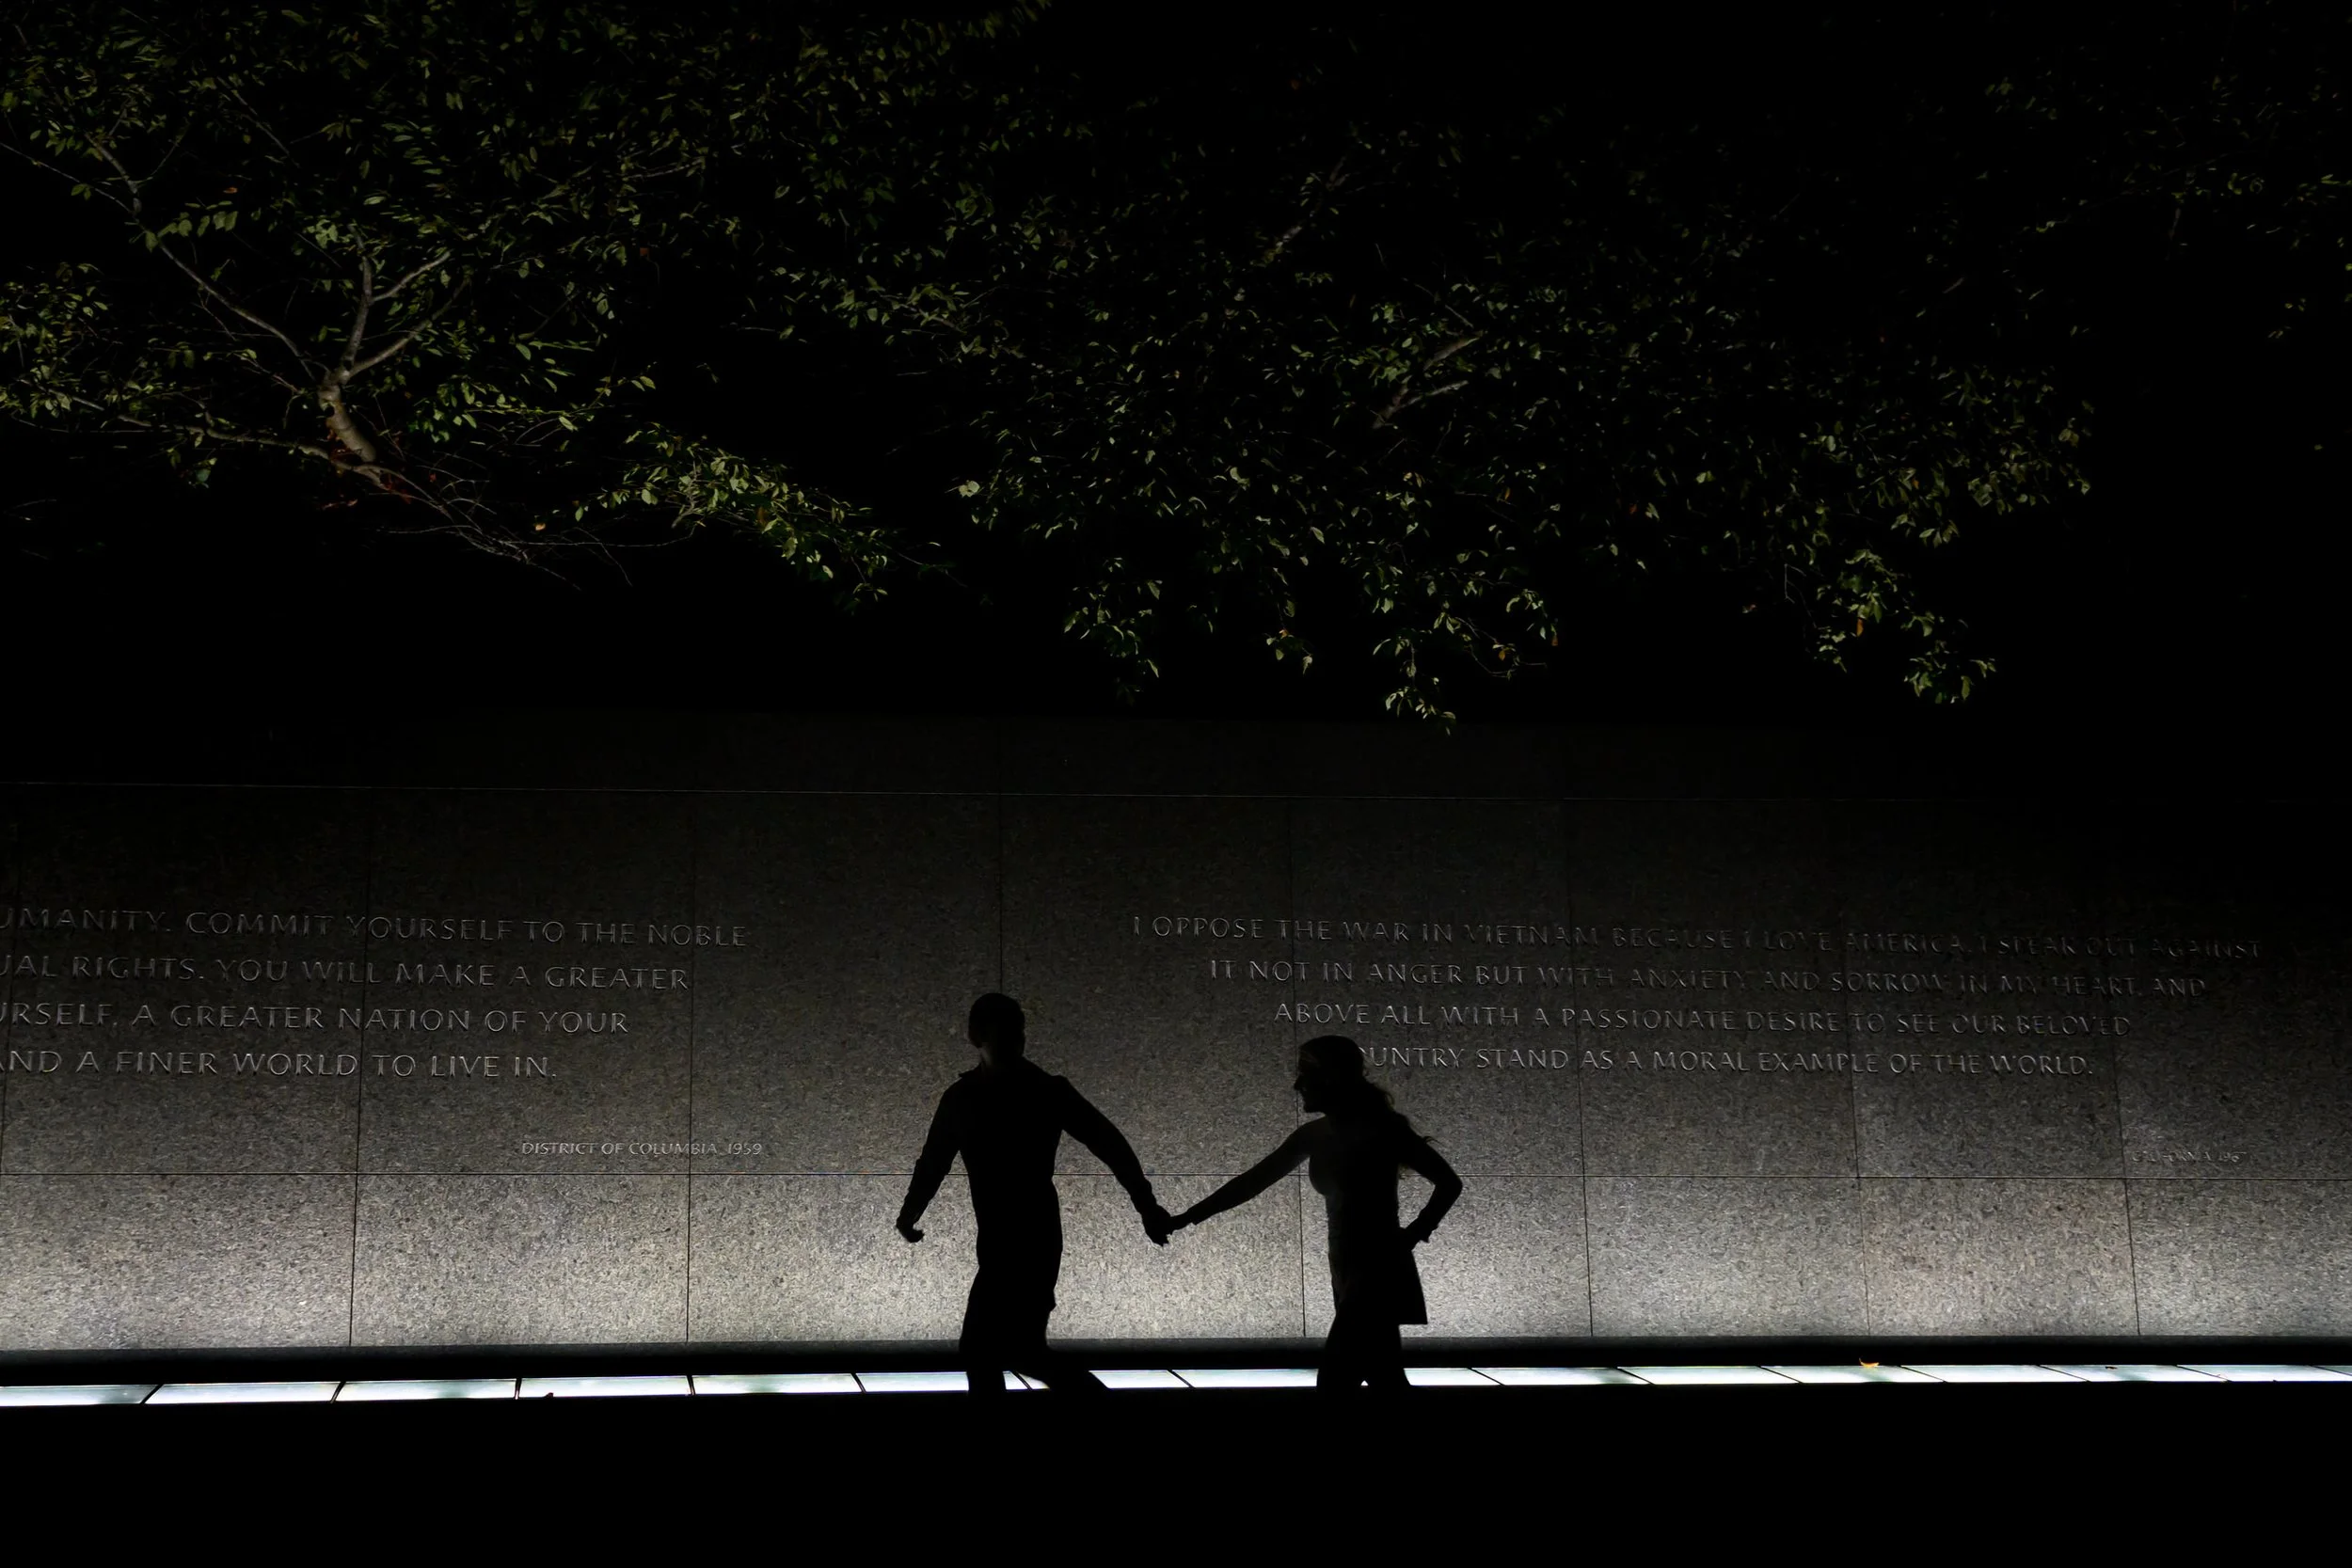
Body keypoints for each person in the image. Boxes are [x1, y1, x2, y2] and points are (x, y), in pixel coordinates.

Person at [897, 992, 1172, 1394]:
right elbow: (933, 1162)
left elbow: (1111, 1145)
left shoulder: (982, 1096)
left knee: (990, 1349)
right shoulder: (1023, 1092)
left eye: (1018, 1031)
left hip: (1024, 1240)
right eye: (1010, 1031)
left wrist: (910, 1214)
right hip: (1017, 1238)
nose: (1018, 1039)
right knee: (1012, 1350)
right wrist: (1146, 1205)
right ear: (979, 1035)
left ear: (974, 1035)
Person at [1171, 1035, 1462, 1391]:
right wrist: (1187, 1216)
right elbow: (1252, 1182)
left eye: (1306, 1074)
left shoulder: (1377, 1131)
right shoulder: (1321, 1134)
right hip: (1350, 1264)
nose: (1298, 1084)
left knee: (1339, 1381)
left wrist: (1413, 1235)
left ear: (1331, 1077)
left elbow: (1449, 1183)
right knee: (1384, 1377)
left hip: (1374, 1267)